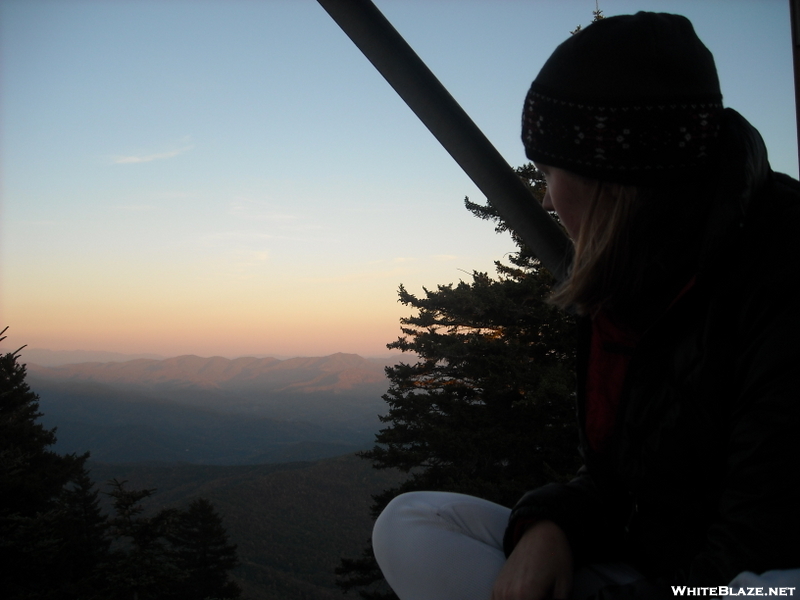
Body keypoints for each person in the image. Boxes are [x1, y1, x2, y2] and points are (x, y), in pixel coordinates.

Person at [371, 12, 800, 600]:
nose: (546, 198)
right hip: (651, 556)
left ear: (610, 179)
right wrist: (552, 526)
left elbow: (762, 542)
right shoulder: (635, 274)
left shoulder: (780, 270)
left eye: (551, 171)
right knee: (411, 521)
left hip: (732, 582)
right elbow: (622, 482)